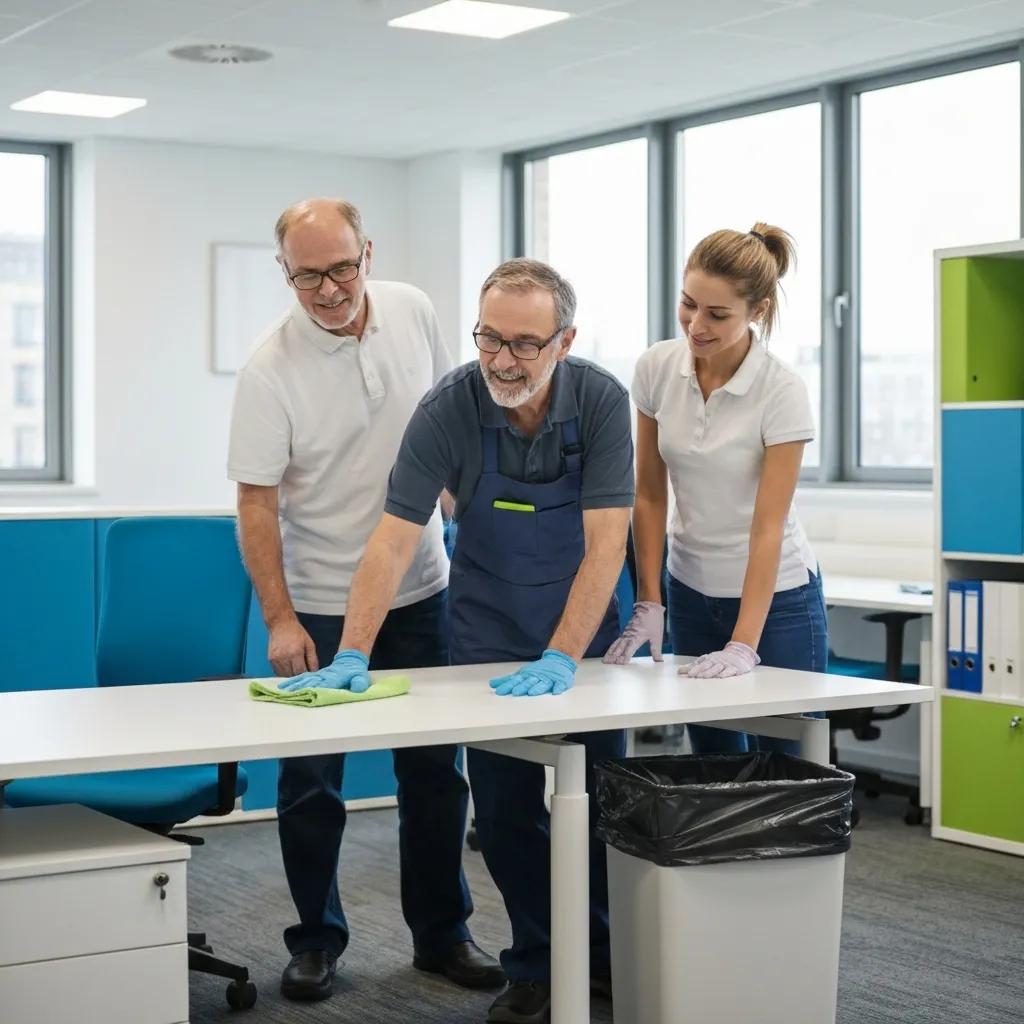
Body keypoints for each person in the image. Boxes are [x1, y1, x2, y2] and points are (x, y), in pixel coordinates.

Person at [281, 257, 634, 1023]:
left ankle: (604, 959)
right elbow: (392, 539)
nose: (502, 361)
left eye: (525, 344)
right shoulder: (448, 407)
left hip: (584, 634)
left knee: (609, 806)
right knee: (507, 813)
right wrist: (353, 650)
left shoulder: (603, 402)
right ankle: (537, 964)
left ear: (565, 340)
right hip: (489, 635)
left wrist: (564, 654)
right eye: (489, 339)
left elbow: (608, 546)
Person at [228, 197, 502, 1002]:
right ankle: (316, 940)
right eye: (306, 274)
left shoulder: (414, 311)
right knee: (311, 783)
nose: (328, 288)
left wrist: (472, 543)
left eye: (341, 267)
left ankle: (443, 934)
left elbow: (459, 428)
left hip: (422, 590)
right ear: (285, 274)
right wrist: (279, 617)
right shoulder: (268, 370)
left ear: (368, 253)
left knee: (435, 775)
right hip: (317, 602)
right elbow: (256, 503)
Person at [604, 223, 827, 755]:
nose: (696, 325)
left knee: (787, 772)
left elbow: (767, 525)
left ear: (759, 310)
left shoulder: (781, 391)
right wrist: (650, 599)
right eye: (688, 304)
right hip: (690, 591)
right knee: (714, 764)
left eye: (717, 314)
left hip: (778, 602)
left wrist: (745, 642)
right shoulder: (657, 368)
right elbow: (650, 494)